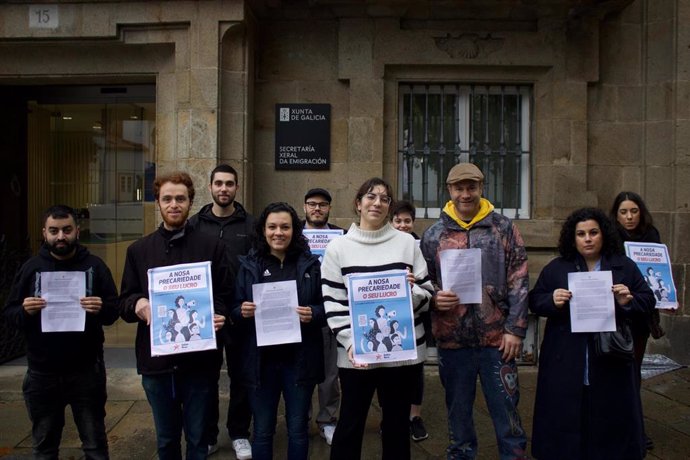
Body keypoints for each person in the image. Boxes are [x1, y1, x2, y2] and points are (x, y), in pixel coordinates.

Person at [420, 163, 529, 459]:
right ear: (449, 191)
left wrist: (515, 330)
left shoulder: (503, 228)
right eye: (459, 188)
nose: (465, 194)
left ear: (481, 188)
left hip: (498, 341)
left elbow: (519, 279)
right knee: (458, 417)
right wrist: (433, 299)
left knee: (507, 413)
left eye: (471, 187)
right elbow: (423, 282)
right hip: (452, 341)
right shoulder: (433, 235)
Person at [119, 172, 231, 460]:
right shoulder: (139, 250)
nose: (174, 204)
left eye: (180, 199)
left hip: (199, 363)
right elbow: (124, 302)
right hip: (157, 364)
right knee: (166, 439)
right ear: (157, 202)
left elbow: (225, 295)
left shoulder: (212, 247)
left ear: (190, 202)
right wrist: (137, 304)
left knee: (198, 440)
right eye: (167, 199)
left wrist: (219, 314)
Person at [529, 207, 656, 460]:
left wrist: (626, 301)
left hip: (610, 358)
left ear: (603, 235)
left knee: (610, 416)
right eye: (581, 234)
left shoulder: (624, 266)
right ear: (572, 238)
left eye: (593, 232)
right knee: (564, 415)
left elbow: (647, 300)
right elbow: (534, 300)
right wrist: (552, 300)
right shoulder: (557, 268)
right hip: (566, 356)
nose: (587, 238)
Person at [321, 177, 434, 460]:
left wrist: (411, 291)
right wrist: (349, 342)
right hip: (356, 355)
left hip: (402, 355)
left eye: (384, 199)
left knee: (396, 426)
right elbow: (333, 302)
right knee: (350, 425)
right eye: (371, 197)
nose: (378, 203)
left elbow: (428, 292)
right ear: (358, 204)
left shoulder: (407, 243)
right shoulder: (338, 248)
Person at [3, 204, 119, 459]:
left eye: (67, 230)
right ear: (44, 233)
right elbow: (9, 314)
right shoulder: (32, 268)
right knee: (44, 446)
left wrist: (101, 307)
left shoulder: (95, 266)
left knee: (95, 446)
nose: (61, 237)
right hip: (42, 373)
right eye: (54, 231)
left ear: (77, 231)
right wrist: (24, 310)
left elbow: (114, 311)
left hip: (86, 371)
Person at [231, 202, 325, 460]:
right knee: (262, 431)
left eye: (285, 227)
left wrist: (313, 313)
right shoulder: (250, 265)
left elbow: (325, 307)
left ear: (294, 230)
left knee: (297, 430)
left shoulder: (310, 265)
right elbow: (233, 309)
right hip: (261, 362)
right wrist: (242, 311)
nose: (278, 232)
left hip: (299, 360)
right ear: (263, 230)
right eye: (272, 227)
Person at [188, 164, 254, 458]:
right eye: (219, 183)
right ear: (210, 186)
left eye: (229, 184)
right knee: (206, 377)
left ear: (236, 188)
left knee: (242, 376)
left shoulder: (251, 225)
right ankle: (209, 434)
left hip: (241, 312)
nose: (224, 189)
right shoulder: (194, 224)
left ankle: (239, 432)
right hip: (205, 314)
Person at [610, 191, 665, 450]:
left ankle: (634, 429)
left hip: (641, 315)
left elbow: (660, 278)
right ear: (616, 215)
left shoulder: (651, 237)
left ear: (641, 212)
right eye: (623, 212)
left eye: (634, 211)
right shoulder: (610, 239)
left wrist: (668, 300)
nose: (629, 217)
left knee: (633, 373)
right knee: (615, 373)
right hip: (617, 314)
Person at [302, 187, 343, 445]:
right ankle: (301, 421)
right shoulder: (293, 235)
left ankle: (327, 420)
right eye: (312, 204)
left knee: (330, 374)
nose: (317, 209)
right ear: (304, 206)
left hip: (331, 312)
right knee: (303, 373)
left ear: (329, 208)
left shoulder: (341, 237)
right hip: (303, 313)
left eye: (323, 205)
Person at [390, 200, 429, 442]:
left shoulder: (419, 247)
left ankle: (414, 417)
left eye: (407, 221)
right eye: (398, 220)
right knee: (389, 375)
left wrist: (414, 287)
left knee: (415, 372)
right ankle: (391, 417)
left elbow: (427, 285)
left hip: (414, 319)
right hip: (388, 320)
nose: (403, 225)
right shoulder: (383, 245)